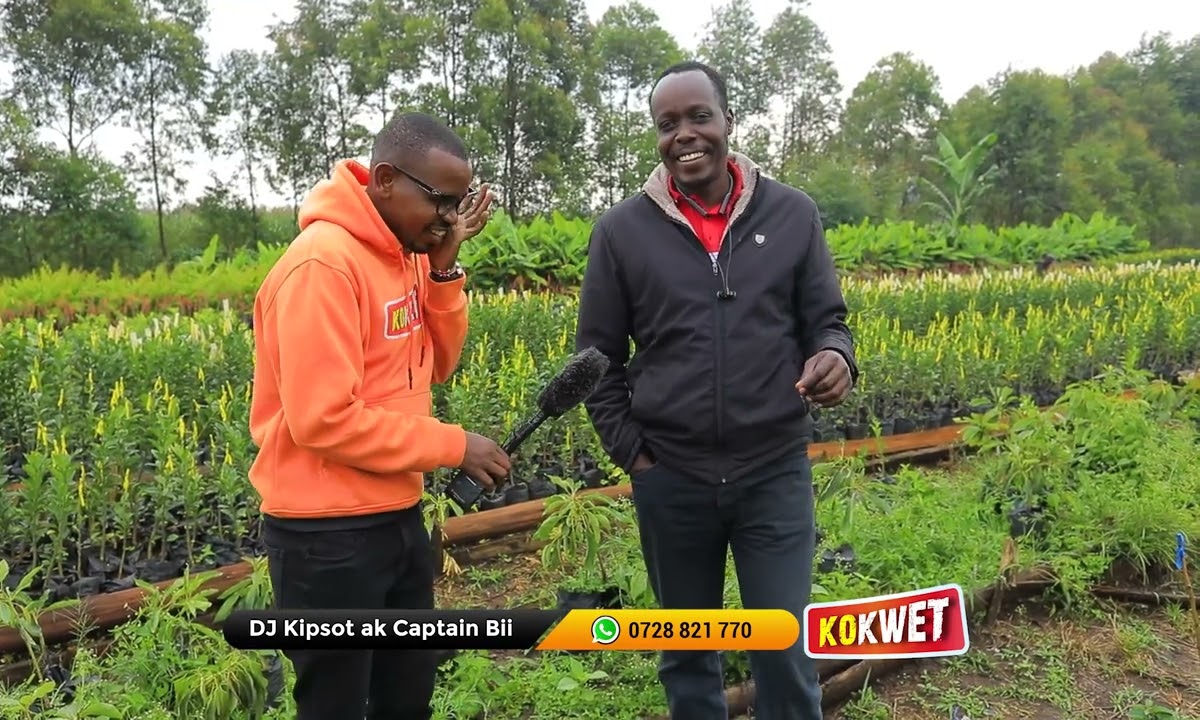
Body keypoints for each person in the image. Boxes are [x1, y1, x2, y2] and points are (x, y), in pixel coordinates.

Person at [575, 60, 858, 720]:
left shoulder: (792, 214)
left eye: (699, 116)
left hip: (772, 471)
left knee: (784, 645)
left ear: (728, 120)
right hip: (673, 477)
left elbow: (827, 322)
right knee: (688, 653)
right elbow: (597, 361)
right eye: (667, 123)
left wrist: (836, 357)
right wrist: (636, 457)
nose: (685, 134)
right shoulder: (621, 233)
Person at [247, 111, 512, 720]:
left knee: (406, 693)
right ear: (387, 179)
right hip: (326, 539)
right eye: (441, 201)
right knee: (336, 703)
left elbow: (437, 365)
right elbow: (323, 419)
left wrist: (444, 268)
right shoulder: (323, 265)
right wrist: (453, 445)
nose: (450, 217)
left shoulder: (409, 253)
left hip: (396, 517)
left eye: (460, 201)